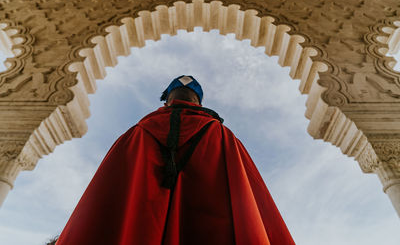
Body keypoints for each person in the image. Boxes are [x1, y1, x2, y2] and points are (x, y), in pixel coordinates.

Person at [56, 75, 295, 245]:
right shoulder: (222, 137)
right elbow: (251, 204)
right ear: (199, 102)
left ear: (167, 100)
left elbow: (104, 205)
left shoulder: (137, 133)